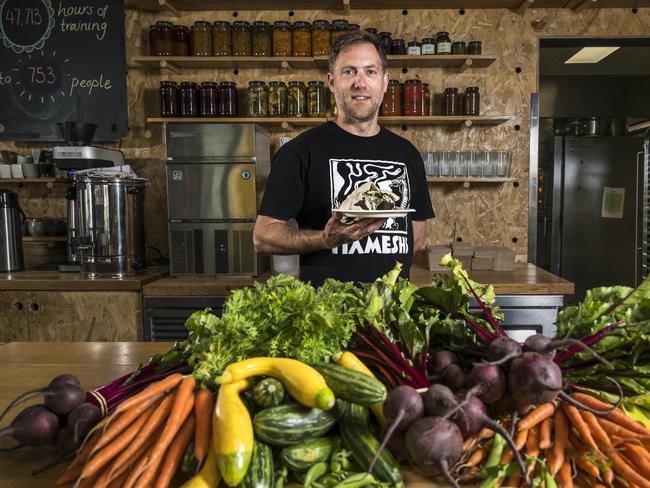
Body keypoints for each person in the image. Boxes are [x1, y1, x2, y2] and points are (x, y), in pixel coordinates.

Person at [253, 29, 435, 286]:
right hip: (328, 317)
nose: (360, 82)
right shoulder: (299, 152)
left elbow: (416, 235)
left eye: (370, 72)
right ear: (331, 82)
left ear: (384, 82)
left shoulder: (407, 154)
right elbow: (263, 237)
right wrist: (324, 240)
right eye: (349, 71)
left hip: (390, 315)